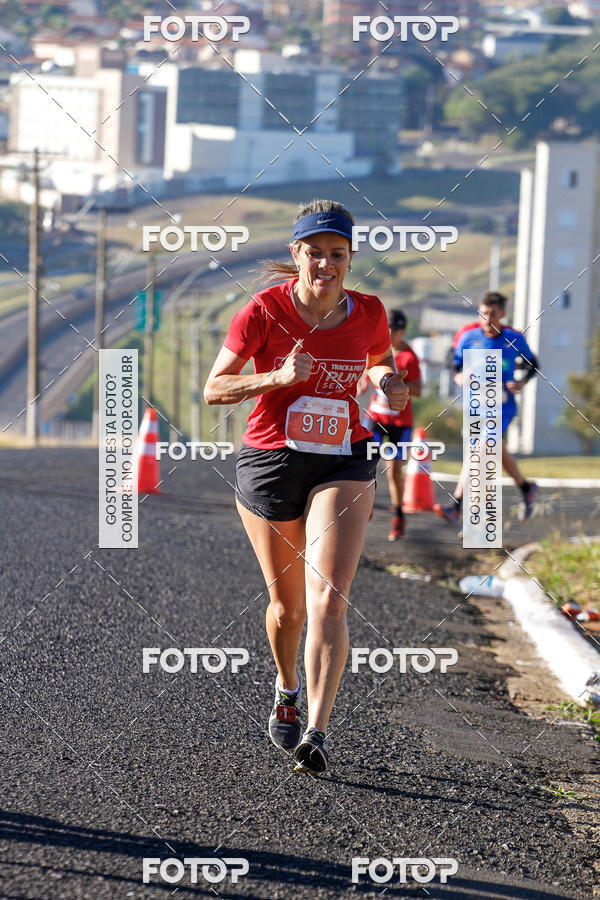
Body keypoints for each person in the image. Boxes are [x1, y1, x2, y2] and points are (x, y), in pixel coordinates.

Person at [204, 199, 408, 774]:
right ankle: (287, 687)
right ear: (296, 255)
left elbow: (374, 361)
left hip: (342, 458)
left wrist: (386, 380)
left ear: (350, 258)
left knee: (329, 597)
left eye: (336, 254)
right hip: (272, 460)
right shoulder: (263, 311)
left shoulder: (369, 311)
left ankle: (316, 731)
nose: (326, 264)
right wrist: (275, 377)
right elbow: (213, 388)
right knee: (287, 608)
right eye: (314, 253)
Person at [434, 291, 538, 524]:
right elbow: (454, 364)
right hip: (476, 408)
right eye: (483, 312)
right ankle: (525, 487)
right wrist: (458, 376)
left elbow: (533, 364)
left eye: (492, 313)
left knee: (480, 449)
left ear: (502, 313)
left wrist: (521, 381)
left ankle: (458, 506)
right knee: (491, 452)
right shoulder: (469, 338)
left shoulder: (514, 338)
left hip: (502, 407)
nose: (487, 317)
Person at [358, 309, 422, 540]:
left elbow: (418, 390)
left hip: (400, 422)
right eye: (387, 330)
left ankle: (398, 517)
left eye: (394, 331)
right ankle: (365, 507)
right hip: (375, 417)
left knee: (394, 470)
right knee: (365, 461)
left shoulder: (409, 357)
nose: (390, 334)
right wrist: (364, 383)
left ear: (403, 331)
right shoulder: (377, 349)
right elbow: (369, 368)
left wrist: (399, 385)